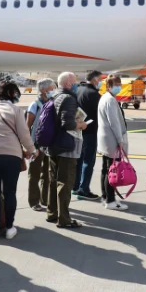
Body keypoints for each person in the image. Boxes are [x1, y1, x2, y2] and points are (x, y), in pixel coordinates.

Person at [0, 82, 36, 242]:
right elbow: (24, 134)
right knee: (10, 192)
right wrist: (32, 150)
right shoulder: (17, 110)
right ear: (12, 94)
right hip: (11, 156)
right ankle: (10, 228)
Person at [44, 72, 88, 229]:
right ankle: (64, 219)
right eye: (74, 82)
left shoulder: (54, 96)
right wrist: (81, 125)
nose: (76, 85)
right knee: (65, 182)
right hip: (66, 146)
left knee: (53, 181)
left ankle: (52, 213)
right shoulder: (68, 98)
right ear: (69, 84)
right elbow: (68, 124)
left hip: (52, 145)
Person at [97, 74, 129, 210]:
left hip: (105, 139)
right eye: (116, 84)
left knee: (106, 169)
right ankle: (110, 200)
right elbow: (114, 122)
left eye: (119, 84)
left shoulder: (105, 97)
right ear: (109, 86)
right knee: (113, 170)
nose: (119, 87)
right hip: (111, 140)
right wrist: (120, 140)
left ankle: (105, 197)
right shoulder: (110, 100)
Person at [25, 78, 55, 212]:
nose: (54, 90)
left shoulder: (53, 102)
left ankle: (45, 198)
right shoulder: (35, 105)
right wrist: (29, 146)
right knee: (34, 173)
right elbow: (27, 126)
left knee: (48, 174)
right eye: (52, 88)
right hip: (36, 145)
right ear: (43, 90)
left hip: (49, 144)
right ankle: (33, 201)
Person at [74, 70, 103, 201]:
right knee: (88, 161)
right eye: (100, 79)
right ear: (95, 80)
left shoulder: (78, 90)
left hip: (77, 130)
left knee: (78, 160)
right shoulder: (94, 94)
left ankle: (75, 186)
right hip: (90, 131)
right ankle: (84, 189)